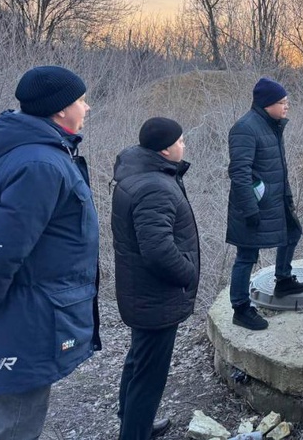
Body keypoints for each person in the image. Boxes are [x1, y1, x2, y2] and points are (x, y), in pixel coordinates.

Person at [0, 65, 101, 439]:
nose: (86, 107)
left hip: (32, 313)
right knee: (15, 428)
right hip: (25, 321)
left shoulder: (43, 154)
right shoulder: (39, 164)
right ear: (60, 109)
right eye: (80, 100)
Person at [112, 117, 200, 439]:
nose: (184, 145)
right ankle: (135, 432)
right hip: (156, 297)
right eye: (180, 140)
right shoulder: (154, 187)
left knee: (139, 361)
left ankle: (134, 422)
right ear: (164, 149)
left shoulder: (139, 173)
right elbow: (158, 250)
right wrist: (188, 273)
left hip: (143, 293)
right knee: (149, 377)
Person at [226, 77, 303, 330]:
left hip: (277, 200)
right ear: (266, 104)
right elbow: (239, 172)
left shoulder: (272, 125)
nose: (286, 106)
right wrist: (250, 209)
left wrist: (287, 196)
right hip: (253, 205)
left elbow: (276, 167)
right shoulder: (245, 128)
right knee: (246, 255)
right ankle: (241, 308)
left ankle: (283, 280)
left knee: (293, 233)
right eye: (281, 102)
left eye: (286, 101)